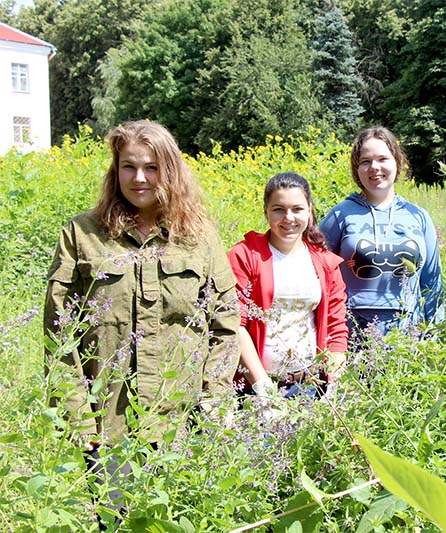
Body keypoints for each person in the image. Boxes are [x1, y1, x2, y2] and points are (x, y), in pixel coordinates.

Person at [43, 120, 239, 525]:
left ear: (170, 170)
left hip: (183, 424)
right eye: (128, 167)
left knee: (176, 522)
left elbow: (225, 325)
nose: (139, 178)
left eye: (151, 167)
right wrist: (78, 414)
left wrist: (214, 399)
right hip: (107, 423)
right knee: (115, 523)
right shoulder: (82, 235)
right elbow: (57, 333)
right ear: (114, 172)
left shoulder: (199, 237)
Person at [228, 172, 348, 400]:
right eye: (279, 209)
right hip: (256, 388)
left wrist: (335, 377)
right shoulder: (244, 256)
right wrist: (261, 386)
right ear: (266, 212)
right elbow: (235, 325)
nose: (288, 218)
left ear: (310, 210)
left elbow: (336, 325)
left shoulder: (325, 263)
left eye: (297, 209)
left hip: (310, 385)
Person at [320, 126, 444, 343]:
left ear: (397, 162)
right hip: (351, 337)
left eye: (382, 159)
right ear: (356, 170)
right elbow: (315, 270)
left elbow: (432, 283)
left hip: (408, 339)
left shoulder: (418, 216)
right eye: (365, 161)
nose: (374, 167)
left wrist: (436, 338)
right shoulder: (341, 214)